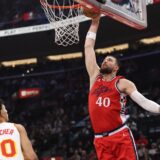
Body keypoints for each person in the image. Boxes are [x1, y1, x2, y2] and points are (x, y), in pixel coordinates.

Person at [84, 15, 160, 160]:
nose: (106, 60)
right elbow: (88, 47)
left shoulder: (122, 82)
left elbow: (143, 101)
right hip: (100, 140)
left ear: (116, 68)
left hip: (119, 136)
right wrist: (95, 22)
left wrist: (159, 109)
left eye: (110, 60)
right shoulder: (95, 77)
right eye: (105, 59)